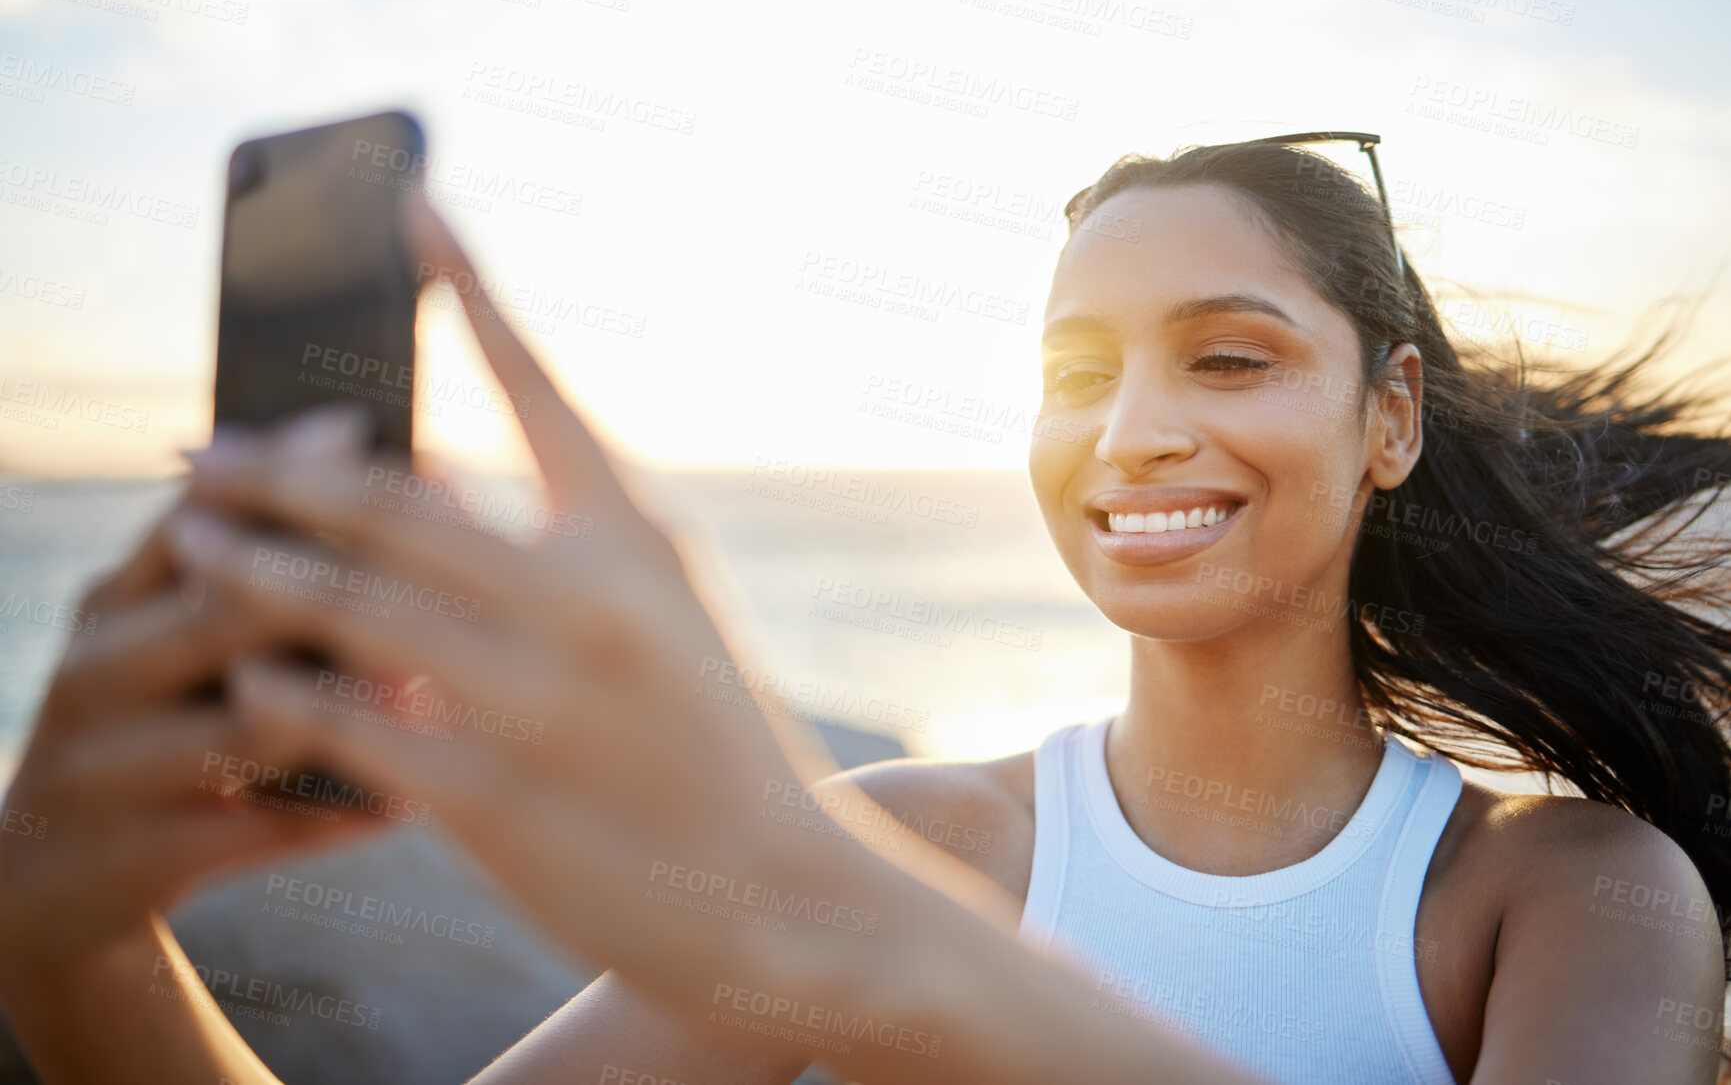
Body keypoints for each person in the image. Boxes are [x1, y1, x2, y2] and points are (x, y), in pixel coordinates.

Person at [1, 137, 1728, 1085]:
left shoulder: (1573, 903)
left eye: (1228, 355)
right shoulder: (899, 845)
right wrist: (72, 947)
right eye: (1075, 371)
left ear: (1392, 419)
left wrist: (860, 951)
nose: (1131, 428)